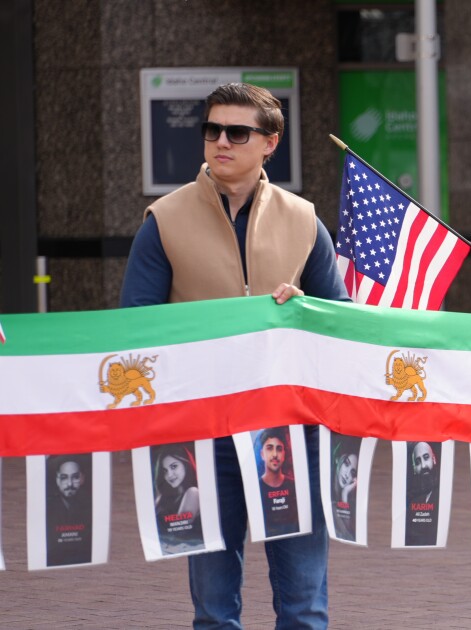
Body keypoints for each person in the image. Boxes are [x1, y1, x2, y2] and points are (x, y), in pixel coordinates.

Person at [120, 82, 346, 628]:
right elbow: (135, 327)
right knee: (214, 609)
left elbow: (339, 321)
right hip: (200, 436)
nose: (221, 141)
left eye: (237, 132)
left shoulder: (304, 220)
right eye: (212, 130)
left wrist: (305, 309)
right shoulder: (164, 220)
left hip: (288, 436)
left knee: (304, 605)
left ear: (270, 142)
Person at [153, 443, 204, 554]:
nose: (169, 475)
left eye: (174, 466)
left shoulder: (192, 492)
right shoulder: (163, 497)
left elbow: (177, 533)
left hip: (188, 548)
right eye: (165, 471)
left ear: (186, 464)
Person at [46, 455, 92, 567]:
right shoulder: (48, 508)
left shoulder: (90, 506)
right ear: (57, 480)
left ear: (82, 478)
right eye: (64, 478)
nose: (70, 484)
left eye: (75, 477)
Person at [259, 427, 300, 538]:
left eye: (279, 449)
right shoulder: (256, 488)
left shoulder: (294, 486)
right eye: (269, 448)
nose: (275, 454)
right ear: (262, 454)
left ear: (284, 454)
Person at [406, 441, 439, 545]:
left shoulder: (441, 496)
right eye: (418, 462)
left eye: (426, 457)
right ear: (414, 468)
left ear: (434, 459)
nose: (423, 465)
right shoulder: (412, 503)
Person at [331, 446, 359, 541]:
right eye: (346, 464)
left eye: (352, 473)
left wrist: (344, 494)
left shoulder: (352, 502)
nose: (347, 474)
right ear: (340, 460)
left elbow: (347, 535)